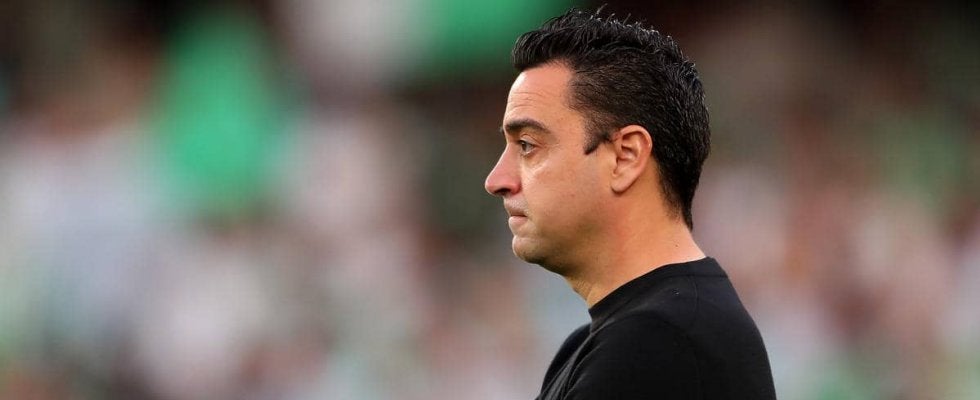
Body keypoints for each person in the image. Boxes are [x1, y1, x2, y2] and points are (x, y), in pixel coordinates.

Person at [484, 8, 777, 400]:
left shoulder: (658, 343)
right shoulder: (605, 341)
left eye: (527, 145)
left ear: (625, 156)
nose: (496, 180)